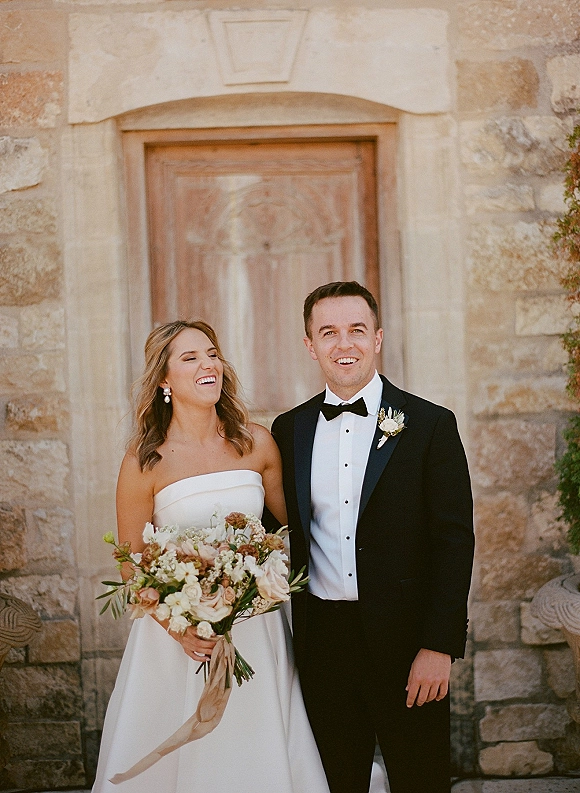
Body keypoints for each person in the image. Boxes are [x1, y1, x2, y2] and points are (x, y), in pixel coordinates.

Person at [92, 320, 330, 793]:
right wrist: (180, 628)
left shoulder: (257, 442)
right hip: (177, 643)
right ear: (163, 379)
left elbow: (292, 533)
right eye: (190, 358)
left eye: (212, 353)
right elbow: (130, 561)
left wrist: (262, 576)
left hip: (255, 632)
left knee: (255, 749)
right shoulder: (145, 460)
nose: (208, 364)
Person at [271, 282, 474, 793]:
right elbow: (277, 531)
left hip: (409, 645)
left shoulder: (429, 425)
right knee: (335, 782)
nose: (344, 344)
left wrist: (438, 646)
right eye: (328, 332)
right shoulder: (287, 430)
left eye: (357, 330)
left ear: (378, 338)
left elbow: (454, 542)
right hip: (322, 646)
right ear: (309, 344)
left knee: (420, 779)